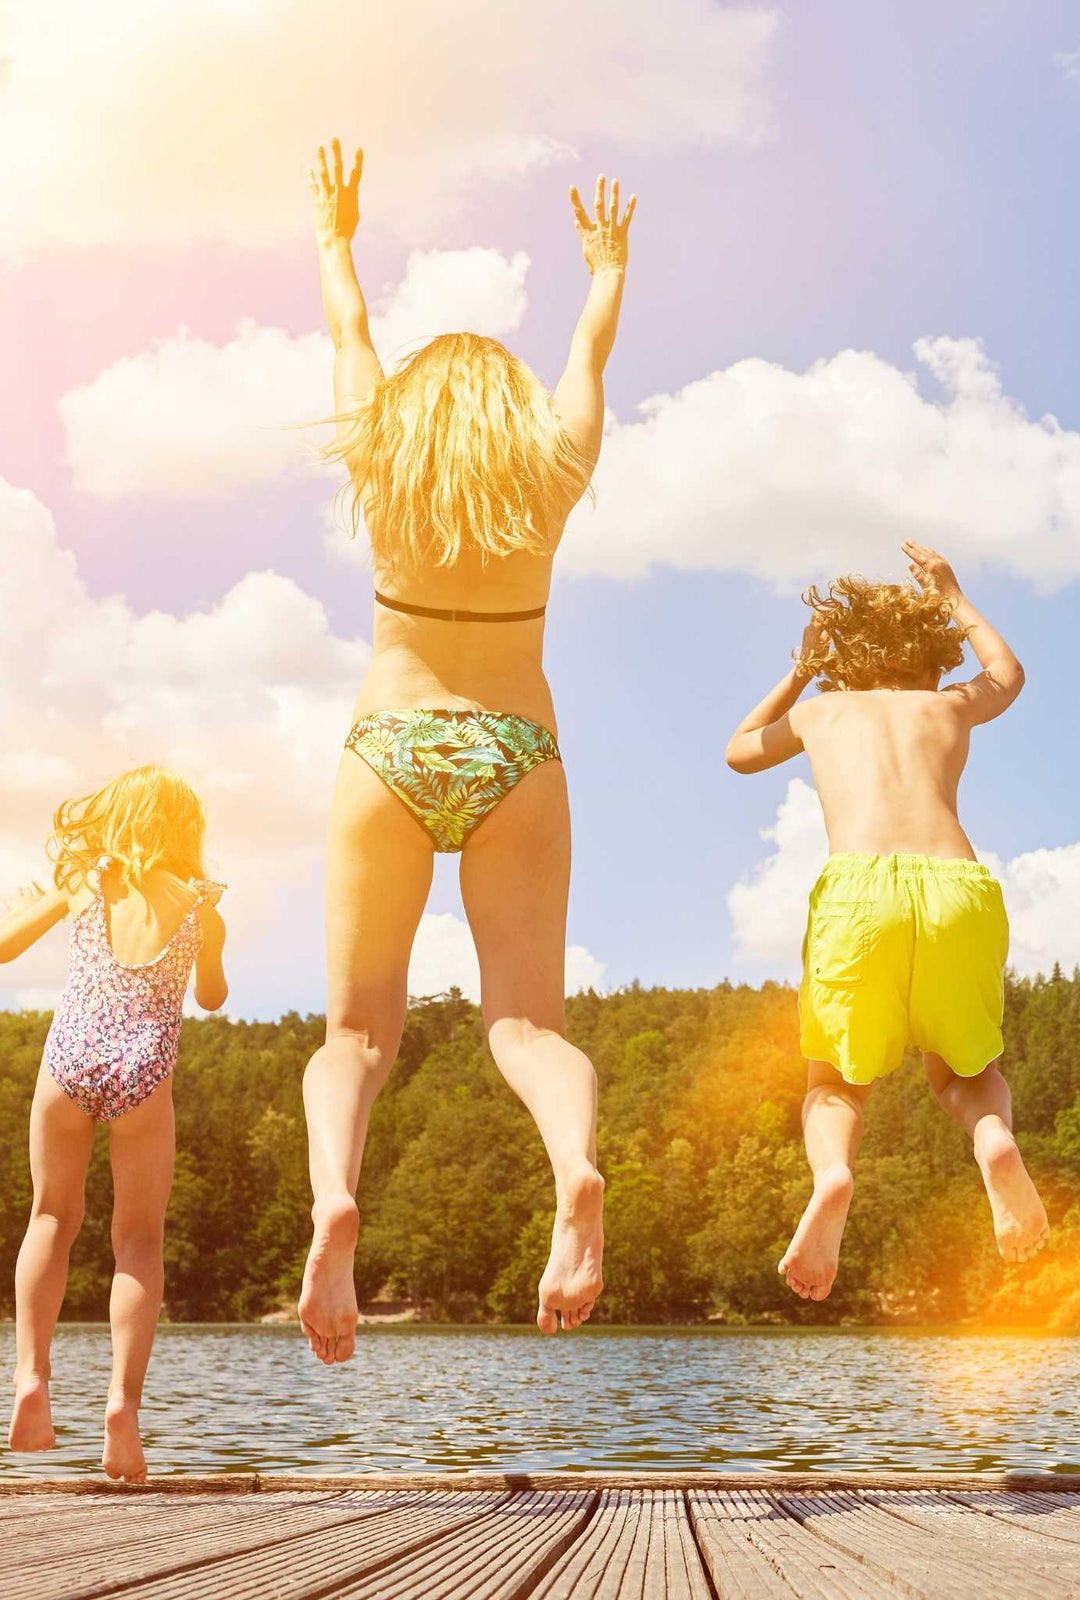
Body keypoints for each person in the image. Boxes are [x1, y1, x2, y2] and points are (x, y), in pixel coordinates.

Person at [296, 140, 634, 1362]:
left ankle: (338, 1195)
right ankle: (574, 1170)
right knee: (527, 1027)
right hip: (515, 749)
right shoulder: (548, 468)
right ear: (506, 414)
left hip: (388, 741)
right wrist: (604, 270)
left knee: (355, 1037)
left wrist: (337, 238)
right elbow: (587, 357)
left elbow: (348, 331)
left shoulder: (382, 457)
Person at [725, 540, 1049, 1301]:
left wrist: (802, 670)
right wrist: (956, 596)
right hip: (955, 889)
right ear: (931, 655)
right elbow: (1008, 675)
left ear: (846, 657)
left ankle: (835, 1174)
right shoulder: (947, 704)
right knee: (968, 1071)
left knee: (835, 1081)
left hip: (857, 894)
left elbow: (740, 752)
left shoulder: (823, 709)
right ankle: (993, 1141)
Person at [1, 767, 228, 1482]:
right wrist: (209, 930)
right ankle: (121, 1407)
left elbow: (3, 946)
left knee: (49, 1218)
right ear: (184, 830)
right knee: (136, 1238)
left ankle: (31, 1380)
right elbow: (215, 996)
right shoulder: (196, 905)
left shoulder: (85, 884)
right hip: (144, 1070)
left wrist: (30, 903)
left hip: (69, 1059)